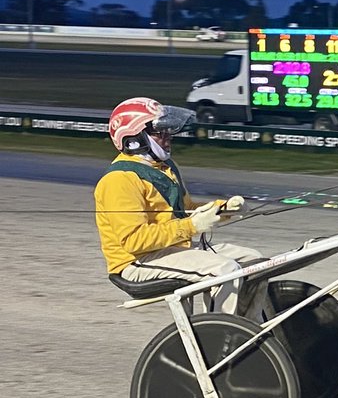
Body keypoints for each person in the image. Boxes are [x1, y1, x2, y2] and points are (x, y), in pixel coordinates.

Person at [94, 97, 268, 318]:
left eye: (168, 131)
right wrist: (192, 226)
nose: (168, 138)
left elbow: (186, 211)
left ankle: (251, 330)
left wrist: (223, 209)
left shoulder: (165, 168)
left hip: (173, 249)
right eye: (160, 132)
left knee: (255, 261)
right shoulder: (119, 180)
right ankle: (221, 337)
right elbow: (134, 241)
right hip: (136, 262)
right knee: (225, 270)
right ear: (134, 138)